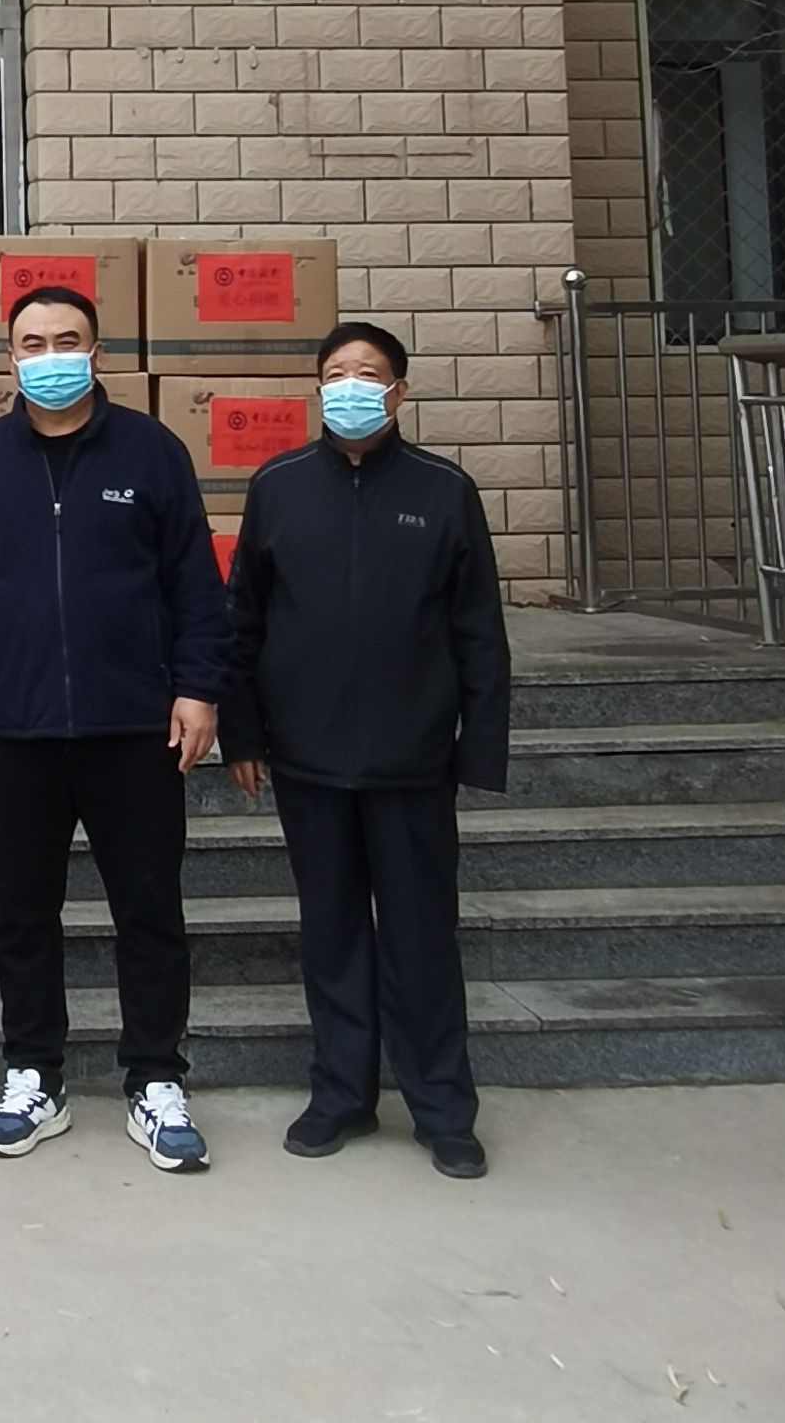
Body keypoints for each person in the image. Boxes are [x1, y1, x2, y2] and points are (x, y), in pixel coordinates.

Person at [0, 285, 229, 1172]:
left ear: (97, 353)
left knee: (149, 911)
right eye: (33, 343)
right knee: (23, 914)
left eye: (68, 341)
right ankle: (34, 1076)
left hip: (135, 726)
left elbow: (193, 583)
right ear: (8, 356)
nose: (50, 357)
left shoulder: (151, 450)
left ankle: (155, 1079)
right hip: (15, 728)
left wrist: (198, 688)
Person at [222, 321, 511, 1180]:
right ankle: (340, 1095)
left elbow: (478, 631)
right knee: (332, 933)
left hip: (411, 759)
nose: (350, 385)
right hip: (304, 756)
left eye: (369, 373)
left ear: (398, 392)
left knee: (421, 939)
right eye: (336, 372)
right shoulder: (278, 486)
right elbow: (242, 620)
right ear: (317, 388)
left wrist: (477, 751)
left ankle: (441, 1107)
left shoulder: (443, 490)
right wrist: (242, 731)